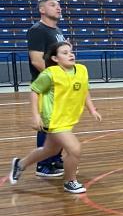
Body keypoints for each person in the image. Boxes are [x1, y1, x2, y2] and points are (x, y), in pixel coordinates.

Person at [9, 41, 102, 194]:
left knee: (49, 150)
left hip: (68, 118)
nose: (70, 54)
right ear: (55, 58)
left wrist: (92, 109)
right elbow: (34, 91)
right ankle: (70, 181)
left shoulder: (82, 70)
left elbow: (85, 90)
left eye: (71, 52)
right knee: (74, 149)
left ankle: (20, 164)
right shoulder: (50, 74)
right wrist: (35, 116)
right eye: (64, 53)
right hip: (53, 119)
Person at [27, 0, 67, 178]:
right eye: (53, 5)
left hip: (59, 85)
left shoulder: (57, 31)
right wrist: (56, 79)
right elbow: (36, 61)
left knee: (59, 124)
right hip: (47, 86)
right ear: (42, 10)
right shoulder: (37, 30)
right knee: (47, 125)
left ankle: (55, 157)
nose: (58, 8)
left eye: (58, 5)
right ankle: (43, 165)